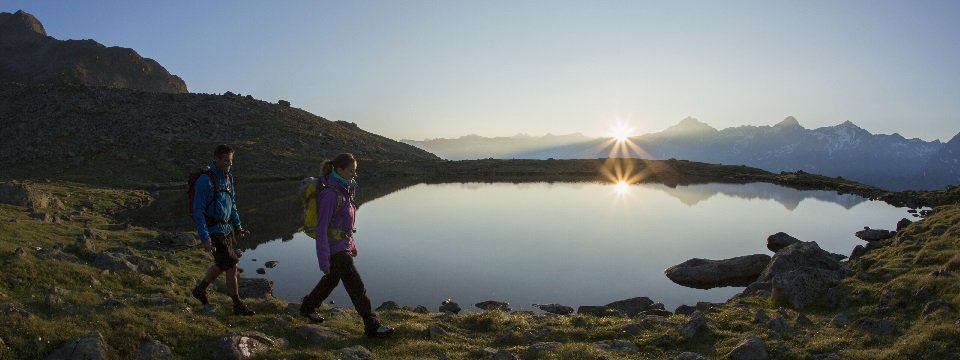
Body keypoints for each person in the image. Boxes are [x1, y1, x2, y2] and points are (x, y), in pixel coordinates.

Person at [299, 153, 394, 338]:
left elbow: (345, 225)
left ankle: (307, 308)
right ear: (340, 170)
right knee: (357, 287)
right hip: (336, 250)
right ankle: (371, 325)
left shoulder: (345, 192)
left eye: (355, 170)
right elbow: (322, 229)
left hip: (343, 247)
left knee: (331, 281)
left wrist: (352, 244)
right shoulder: (329, 195)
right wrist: (323, 260)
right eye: (351, 170)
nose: (354, 174)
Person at [190, 144, 255, 316]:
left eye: (231, 160)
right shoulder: (205, 180)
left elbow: (232, 205)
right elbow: (198, 210)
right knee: (232, 264)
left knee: (221, 264)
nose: (229, 164)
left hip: (226, 230)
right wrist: (205, 237)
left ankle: (199, 289)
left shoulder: (228, 178)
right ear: (217, 159)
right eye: (226, 160)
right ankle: (237, 304)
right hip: (213, 230)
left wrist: (238, 226)